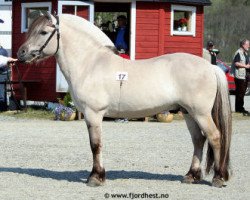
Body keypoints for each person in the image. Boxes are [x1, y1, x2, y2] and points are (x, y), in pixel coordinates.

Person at [231, 39, 250, 116]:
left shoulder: (245, 53)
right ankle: (239, 109)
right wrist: (246, 66)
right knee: (240, 93)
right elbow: (236, 63)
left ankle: (240, 108)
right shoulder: (238, 53)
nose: (249, 46)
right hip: (239, 76)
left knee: (242, 93)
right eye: (248, 44)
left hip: (245, 76)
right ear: (243, 45)